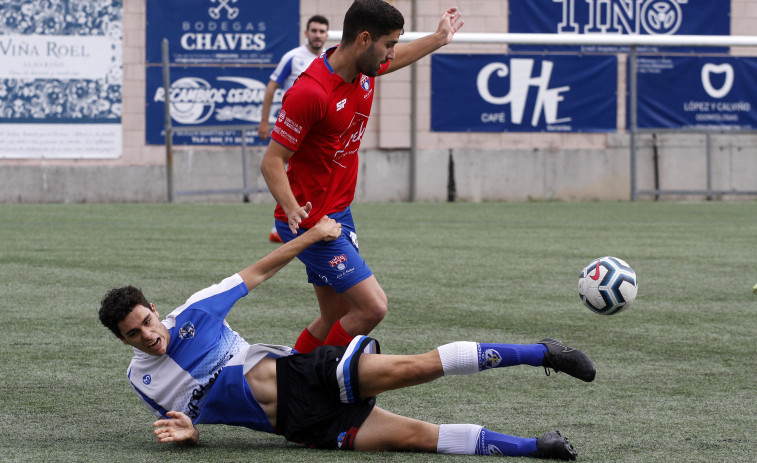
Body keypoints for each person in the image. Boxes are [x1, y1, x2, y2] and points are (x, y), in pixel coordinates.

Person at [99, 216, 595, 460]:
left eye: (147, 321)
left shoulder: (197, 310)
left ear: (155, 310)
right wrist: (190, 435)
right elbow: (185, 424)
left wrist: (311, 238)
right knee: (419, 438)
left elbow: (258, 271)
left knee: (418, 367)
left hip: (300, 372)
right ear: (124, 343)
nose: (148, 335)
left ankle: (542, 352)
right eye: (135, 334)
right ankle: (537, 448)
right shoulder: (142, 381)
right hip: (298, 427)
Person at [260, 0, 464, 355]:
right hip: (313, 220)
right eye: (388, 44)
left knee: (334, 316)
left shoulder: (363, 69)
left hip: (340, 212)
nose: (392, 53)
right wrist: (292, 209)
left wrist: (438, 38)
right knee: (372, 307)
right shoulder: (311, 92)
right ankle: (317, 385)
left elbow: (393, 62)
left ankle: (287, 381)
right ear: (365, 39)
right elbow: (272, 162)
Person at [257, 14, 330, 243]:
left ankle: (309, 219)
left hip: (318, 133)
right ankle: (282, 224)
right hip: (294, 129)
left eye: (322, 31)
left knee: (313, 176)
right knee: (291, 174)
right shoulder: (293, 57)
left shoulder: (331, 59)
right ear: (306, 33)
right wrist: (264, 121)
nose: (318, 35)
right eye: (314, 30)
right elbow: (271, 87)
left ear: (327, 35)